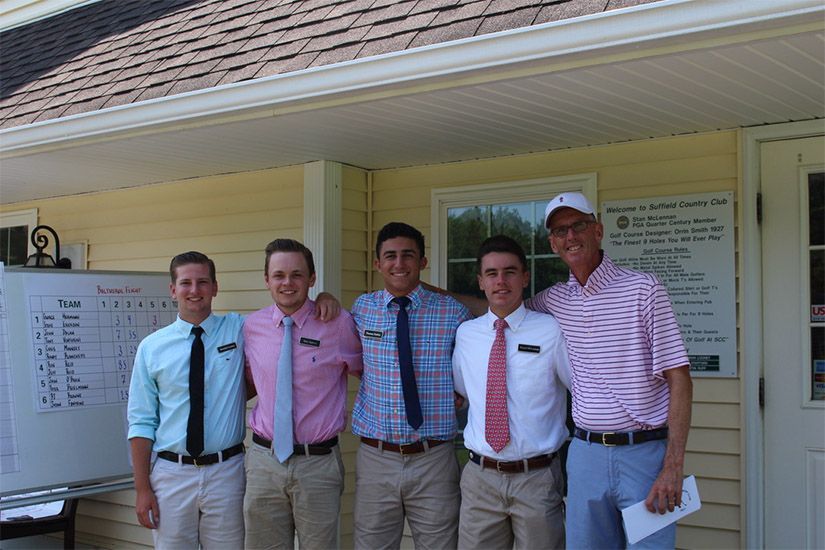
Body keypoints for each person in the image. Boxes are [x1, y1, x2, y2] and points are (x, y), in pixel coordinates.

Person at [527, 191, 693, 548]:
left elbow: (679, 378)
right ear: (553, 244)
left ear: (598, 230)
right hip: (585, 455)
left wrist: (673, 465)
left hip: (644, 456)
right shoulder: (554, 300)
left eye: (578, 225)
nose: (570, 236)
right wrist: (422, 289)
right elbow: (504, 308)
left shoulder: (644, 289)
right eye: (560, 231)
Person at [350, 222, 472, 549]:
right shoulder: (361, 310)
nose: (399, 263)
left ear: (423, 261)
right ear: (377, 263)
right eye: (390, 256)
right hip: (376, 458)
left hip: (434, 458)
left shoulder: (453, 313)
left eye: (408, 255)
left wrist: (462, 392)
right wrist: (324, 297)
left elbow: (479, 355)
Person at [243, 239, 363, 550]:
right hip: (264, 462)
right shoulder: (251, 327)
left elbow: (370, 374)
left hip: (317, 464)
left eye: (297, 274)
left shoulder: (338, 323)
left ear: (312, 279)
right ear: (266, 280)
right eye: (279, 275)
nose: (287, 283)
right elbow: (246, 381)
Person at [452, 235, 570, 550]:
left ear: (525, 277)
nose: (501, 281)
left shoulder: (551, 331)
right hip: (480, 480)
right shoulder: (467, 335)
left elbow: (579, 389)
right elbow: (464, 390)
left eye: (510, 272)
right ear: (481, 281)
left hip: (537, 478)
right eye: (491, 273)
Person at [127, 251, 246, 548]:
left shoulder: (240, 330)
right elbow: (141, 422)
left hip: (227, 473)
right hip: (172, 475)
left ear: (215, 287)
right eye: (186, 283)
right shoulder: (151, 348)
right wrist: (142, 489)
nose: (194, 290)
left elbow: (281, 316)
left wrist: (323, 299)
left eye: (203, 282)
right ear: (173, 289)